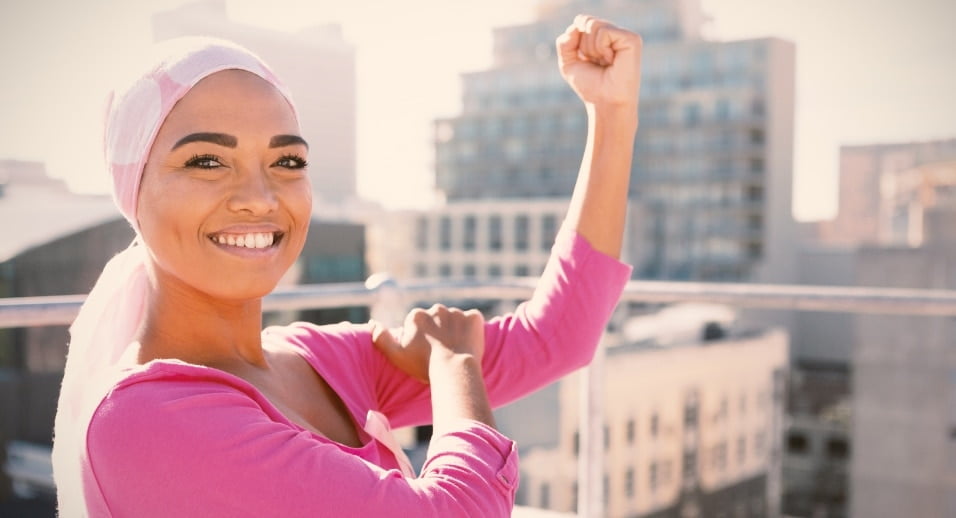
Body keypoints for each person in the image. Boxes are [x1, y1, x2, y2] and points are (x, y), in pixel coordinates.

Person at [51, 14, 642, 518]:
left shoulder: (319, 359)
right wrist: (455, 363)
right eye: (207, 160)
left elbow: (555, 338)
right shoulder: (146, 420)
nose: (260, 196)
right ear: (133, 190)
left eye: (287, 160)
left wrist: (612, 113)